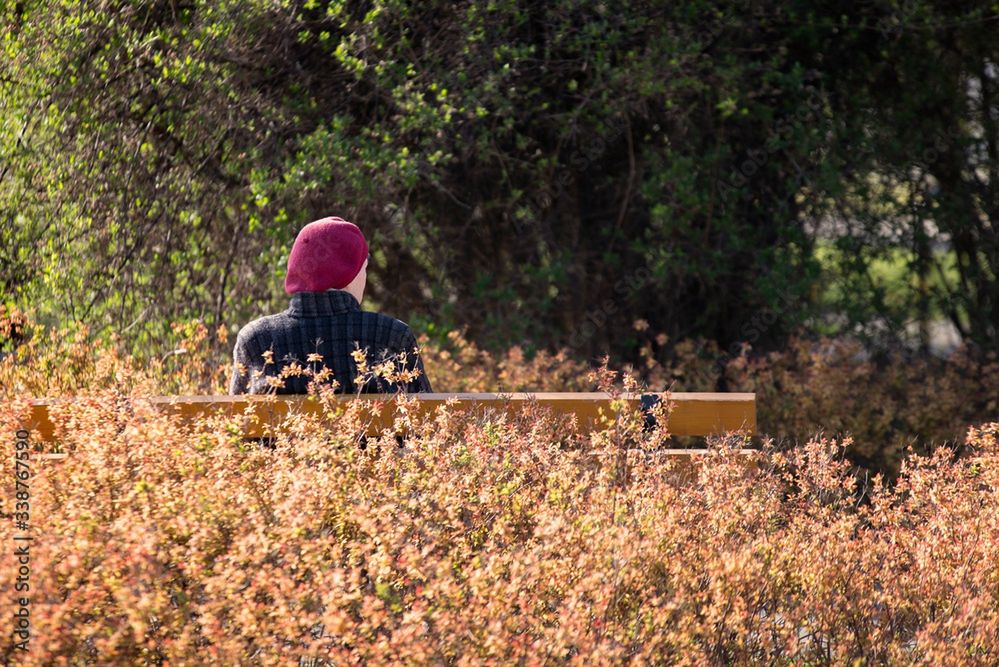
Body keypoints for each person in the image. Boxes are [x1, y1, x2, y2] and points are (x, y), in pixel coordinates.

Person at [228, 216, 432, 395]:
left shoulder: (255, 339)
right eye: (364, 269)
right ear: (350, 274)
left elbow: (234, 426)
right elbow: (425, 421)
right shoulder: (392, 336)